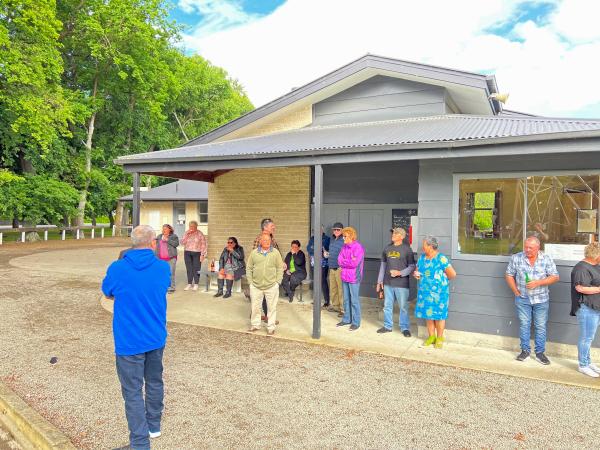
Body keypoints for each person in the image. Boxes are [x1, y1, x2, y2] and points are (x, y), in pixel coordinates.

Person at [101, 225, 170, 450]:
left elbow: (107, 290)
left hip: (129, 340)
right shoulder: (162, 268)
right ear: (153, 243)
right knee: (154, 381)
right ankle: (154, 425)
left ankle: (140, 443)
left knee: (132, 391)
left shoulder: (118, 268)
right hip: (155, 336)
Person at [505, 236, 559, 364]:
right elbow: (509, 274)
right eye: (526, 247)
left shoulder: (546, 258)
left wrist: (538, 283)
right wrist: (515, 291)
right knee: (524, 325)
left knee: (540, 326)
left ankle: (540, 353)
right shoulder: (516, 258)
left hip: (541, 299)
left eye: (531, 248)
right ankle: (525, 351)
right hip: (523, 298)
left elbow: (555, 277)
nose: (527, 250)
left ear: (538, 248)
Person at [413, 236, 457, 349]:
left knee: (439, 316)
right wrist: (416, 274)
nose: (423, 247)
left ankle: (440, 338)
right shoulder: (422, 258)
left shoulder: (441, 259)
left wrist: (440, 281)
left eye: (424, 245)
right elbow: (418, 271)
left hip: (439, 295)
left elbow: (452, 274)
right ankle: (431, 336)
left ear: (431, 246)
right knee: (428, 315)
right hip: (425, 293)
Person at [376, 227, 416, 337]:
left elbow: (412, 266)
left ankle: (404, 328)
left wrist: (400, 273)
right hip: (388, 282)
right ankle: (388, 326)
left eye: (396, 233)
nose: (393, 234)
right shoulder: (387, 248)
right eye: (393, 232)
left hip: (402, 284)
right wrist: (379, 281)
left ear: (402, 236)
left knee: (403, 307)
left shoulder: (407, 249)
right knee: (387, 306)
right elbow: (383, 265)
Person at [570, 242, 600, 377]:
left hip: (595, 307)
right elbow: (580, 288)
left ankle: (588, 362)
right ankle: (583, 365)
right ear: (595, 255)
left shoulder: (595, 265)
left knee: (589, 337)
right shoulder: (581, 268)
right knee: (586, 337)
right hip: (587, 308)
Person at [247, 234, 284, 335]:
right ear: (260, 241)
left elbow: (280, 268)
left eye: (269, 240)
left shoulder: (275, 253)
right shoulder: (254, 253)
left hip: (271, 285)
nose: (267, 241)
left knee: (271, 308)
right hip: (256, 286)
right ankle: (255, 325)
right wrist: (250, 282)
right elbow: (249, 268)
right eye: (264, 240)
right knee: (255, 307)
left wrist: (277, 282)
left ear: (271, 241)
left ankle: (271, 327)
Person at [253, 218, 283, 321]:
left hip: (271, 272)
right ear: (265, 227)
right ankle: (267, 318)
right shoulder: (260, 239)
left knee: (268, 296)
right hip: (263, 273)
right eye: (272, 226)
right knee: (266, 296)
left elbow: (276, 253)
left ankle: (266, 316)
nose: (274, 227)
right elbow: (255, 256)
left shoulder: (271, 238)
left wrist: (281, 263)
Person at [336, 227, 365, 331]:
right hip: (344, 276)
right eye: (343, 236)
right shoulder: (344, 247)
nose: (343, 238)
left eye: (345, 236)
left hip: (354, 278)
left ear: (351, 236)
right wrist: (348, 261)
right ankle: (347, 319)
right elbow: (339, 260)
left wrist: (346, 261)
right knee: (346, 299)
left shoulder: (358, 247)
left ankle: (356, 322)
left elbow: (355, 263)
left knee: (354, 300)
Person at [307, 226, 331, 307]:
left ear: (322, 230)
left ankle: (327, 301)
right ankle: (316, 300)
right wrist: (318, 250)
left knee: (323, 281)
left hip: (323, 263)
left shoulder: (327, 239)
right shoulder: (312, 239)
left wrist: (317, 249)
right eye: (315, 229)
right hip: (314, 263)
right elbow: (309, 249)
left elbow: (327, 250)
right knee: (316, 281)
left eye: (319, 229)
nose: (317, 231)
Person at [181, 221, 207, 291]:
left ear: (196, 226)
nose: (192, 228)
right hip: (187, 252)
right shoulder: (187, 233)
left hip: (197, 253)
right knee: (189, 268)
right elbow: (182, 242)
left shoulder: (200, 233)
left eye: (193, 226)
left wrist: (202, 254)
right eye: (190, 226)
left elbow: (203, 244)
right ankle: (189, 283)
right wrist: (187, 235)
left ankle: (196, 283)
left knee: (196, 268)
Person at [154, 224, 179, 294]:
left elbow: (176, 244)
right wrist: (156, 256)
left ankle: (172, 287)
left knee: (171, 273)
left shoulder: (174, 236)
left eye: (165, 229)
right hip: (161, 258)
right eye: (163, 228)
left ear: (169, 229)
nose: (163, 230)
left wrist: (167, 239)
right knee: (162, 273)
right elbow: (156, 247)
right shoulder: (159, 236)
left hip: (171, 258)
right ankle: (163, 286)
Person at [327, 222, 345, 317]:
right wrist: (327, 254)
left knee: (341, 289)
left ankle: (343, 309)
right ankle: (335, 306)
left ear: (342, 230)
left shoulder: (344, 239)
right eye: (335, 229)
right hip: (331, 267)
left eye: (338, 229)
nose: (336, 231)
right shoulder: (332, 239)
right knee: (333, 289)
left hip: (340, 268)